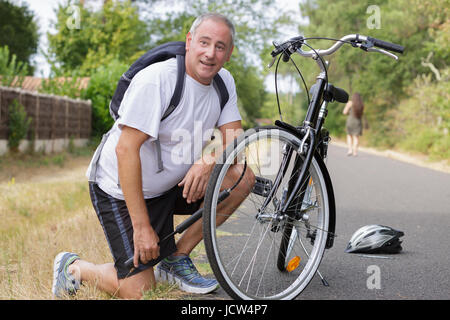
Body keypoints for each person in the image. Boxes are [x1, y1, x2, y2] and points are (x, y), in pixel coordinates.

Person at [52, 13, 255, 299]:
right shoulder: (158, 80)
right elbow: (126, 149)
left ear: (229, 53)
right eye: (204, 43)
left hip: (170, 187)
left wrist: (208, 161)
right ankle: (74, 268)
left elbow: (234, 139)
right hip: (120, 190)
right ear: (189, 42)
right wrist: (142, 227)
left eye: (220, 47)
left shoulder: (224, 82)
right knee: (142, 290)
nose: (210, 53)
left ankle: (177, 258)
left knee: (241, 177)